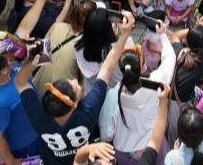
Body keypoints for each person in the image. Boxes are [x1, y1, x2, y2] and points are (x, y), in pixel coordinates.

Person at [16, 12, 135, 164]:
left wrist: (32, 62)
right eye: (74, 86)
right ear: (73, 105)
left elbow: (20, 82)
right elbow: (107, 68)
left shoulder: (39, 118)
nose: (74, 80)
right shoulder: (88, 112)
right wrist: (125, 34)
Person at [99, 20, 176, 163]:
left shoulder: (112, 95)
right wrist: (163, 35)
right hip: (154, 146)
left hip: (123, 154)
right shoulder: (156, 84)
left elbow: (106, 134)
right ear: (143, 67)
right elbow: (170, 59)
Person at [0, 47, 41, 163]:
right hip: (29, 144)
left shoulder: (10, 67)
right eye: (7, 56)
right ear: (3, 70)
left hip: (39, 127)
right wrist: (12, 163)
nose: (11, 54)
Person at [75, 8, 134, 93]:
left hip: (92, 90)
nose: (114, 24)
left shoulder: (78, 46)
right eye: (112, 24)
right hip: (113, 93)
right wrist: (125, 35)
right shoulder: (117, 53)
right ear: (107, 33)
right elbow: (133, 65)